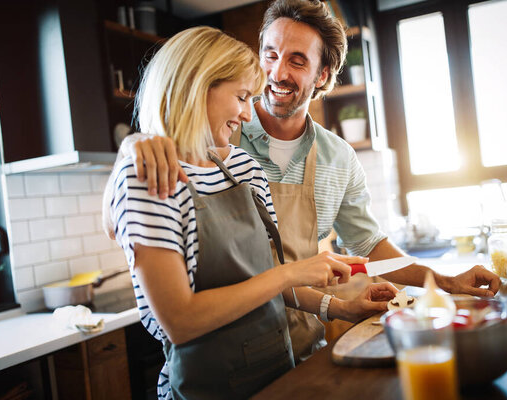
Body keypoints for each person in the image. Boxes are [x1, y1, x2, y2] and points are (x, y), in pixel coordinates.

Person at [115, 0, 502, 362]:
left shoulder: (337, 157)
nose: (277, 72)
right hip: (217, 355)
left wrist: (445, 281)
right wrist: (131, 148)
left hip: (300, 346)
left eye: (297, 61)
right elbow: (127, 215)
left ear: (324, 75)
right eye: (270, 54)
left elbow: (368, 245)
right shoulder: (216, 138)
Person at [103, 26, 398, 400]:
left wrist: (342, 307)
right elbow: (180, 321)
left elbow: (267, 281)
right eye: (241, 96)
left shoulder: (243, 167)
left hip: (280, 375)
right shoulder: (150, 176)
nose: (247, 114)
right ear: (197, 86)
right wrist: (290, 271)